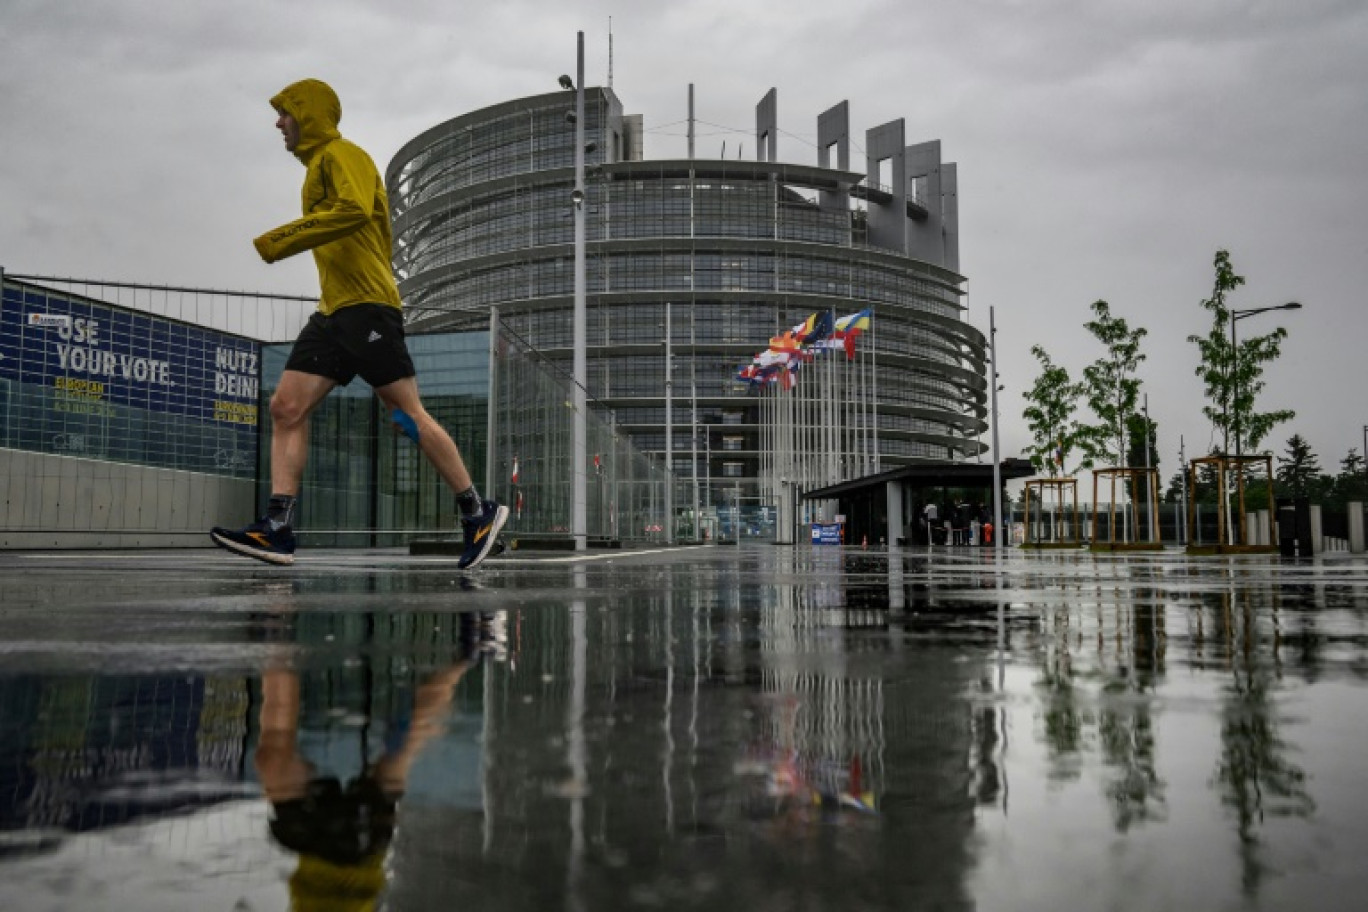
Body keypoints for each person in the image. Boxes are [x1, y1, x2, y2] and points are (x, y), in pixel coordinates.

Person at [211, 78, 506, 568]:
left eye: (286, 113)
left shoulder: (344, 154)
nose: (278, 123)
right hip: (332, 313)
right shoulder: (315, 170)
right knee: (285, 407)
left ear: (309, 114)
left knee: (407, 415)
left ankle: (477, 511)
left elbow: (351, 210)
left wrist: (279, 240)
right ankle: (278, 528)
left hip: (368, 306)